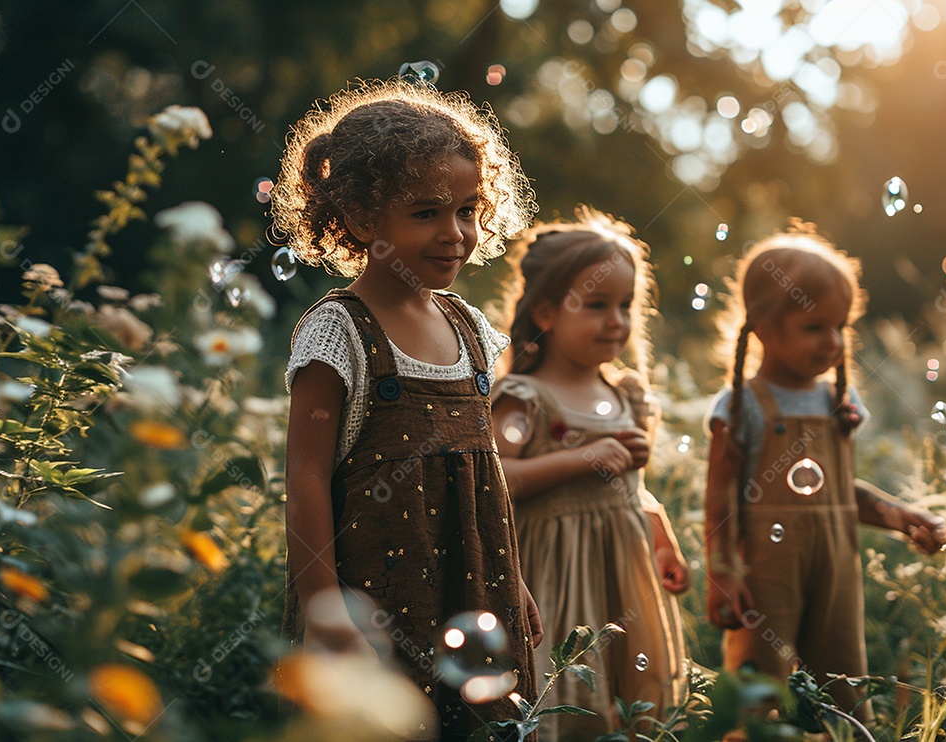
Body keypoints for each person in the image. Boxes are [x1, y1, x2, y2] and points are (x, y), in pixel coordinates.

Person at [274, 78, 543, 739]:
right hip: (374, 600)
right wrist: (323, 609)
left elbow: (482, 470)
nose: (455, 233)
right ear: (364, 219)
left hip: (474, 591)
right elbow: (306, 478)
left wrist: (514, 578)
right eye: (426, 213)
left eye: (467, 211)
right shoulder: (341, 332)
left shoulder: (471, 328)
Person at [703, 220, 946, 717]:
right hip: (767, 571)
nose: (833, 342)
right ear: (764, 328)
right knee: (758, 685)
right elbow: (719, 498)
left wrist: (901, 516)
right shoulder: (742, 406)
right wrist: (723, 571)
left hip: (837, 569)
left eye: (841, 327)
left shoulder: (839, 400)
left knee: (843, 682)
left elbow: (840, 491)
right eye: (814, 327)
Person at [491, 207, 689, 741]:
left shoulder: (625, 395)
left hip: (623, 573)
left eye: (625, 305)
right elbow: (494, 480)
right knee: (568, 700)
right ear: (548, 312)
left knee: (629, 702)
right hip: (554, 576)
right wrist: (584, 457)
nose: (616, 321)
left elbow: (633, 491)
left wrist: (662, 537)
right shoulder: (524, 398)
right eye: (598, 305)